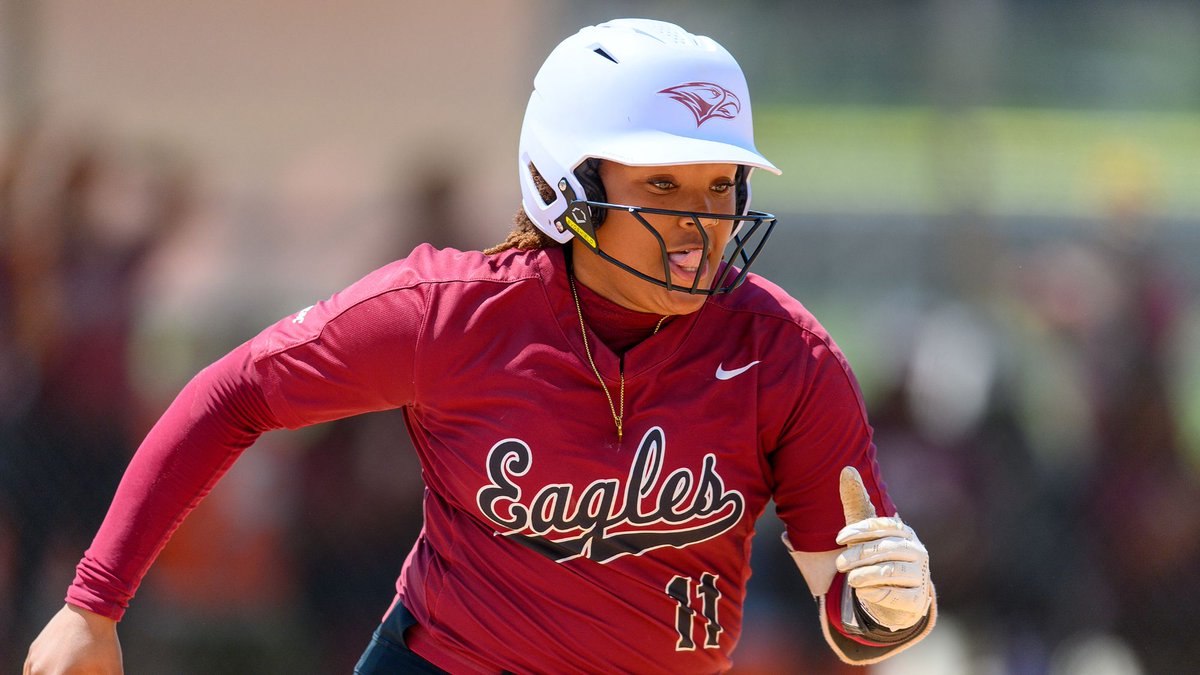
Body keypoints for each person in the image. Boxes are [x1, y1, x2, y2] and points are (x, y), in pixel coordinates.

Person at [25, 18, 935, 674]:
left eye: (720, 187)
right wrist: (91, 605)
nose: (699, 223)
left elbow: (846, 611)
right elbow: (234, 395)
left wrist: (894, 609)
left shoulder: (786, 355)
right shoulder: (450, 315)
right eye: (662, 182)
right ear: (562, 184)